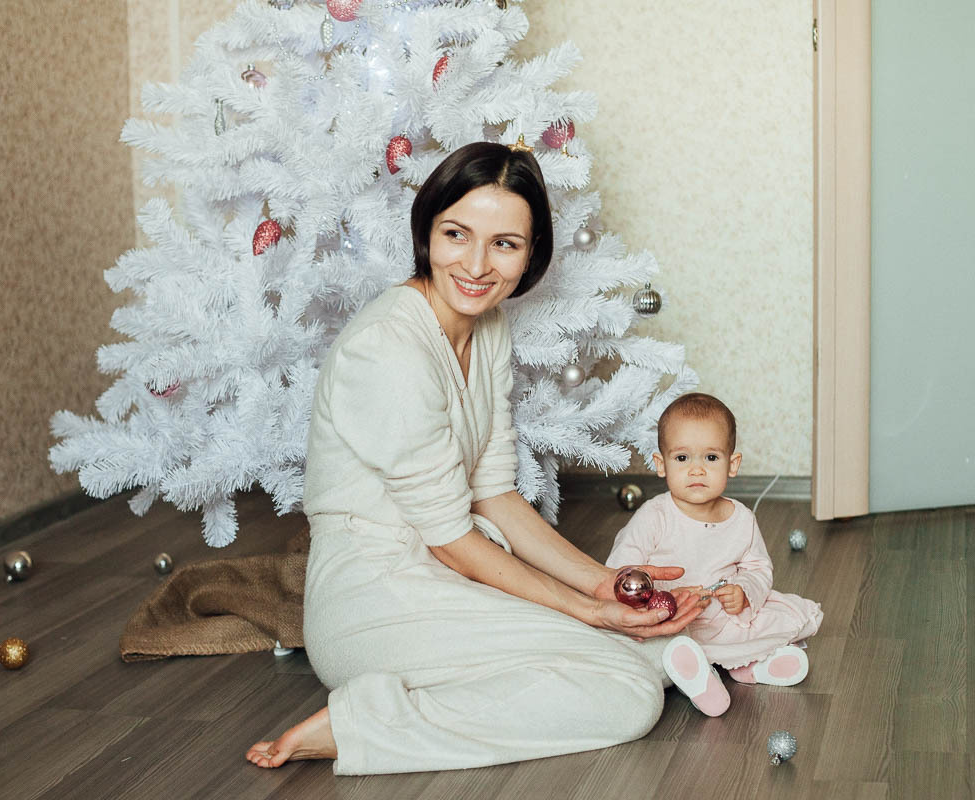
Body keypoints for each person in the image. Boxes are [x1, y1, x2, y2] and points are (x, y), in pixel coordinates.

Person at [245, 141, 708, 775]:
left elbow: (496, 496)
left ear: (531, 253)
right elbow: (449, 537)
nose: (476, 265)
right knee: (627, 694)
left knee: (654, 647)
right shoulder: (387, 349)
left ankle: (473, 678)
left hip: (449, 572)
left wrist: (603, 587)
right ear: (427, 231)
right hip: (377, 600)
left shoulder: (486, 327)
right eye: (456, 234)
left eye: (505, 244)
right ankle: (364, 723)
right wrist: (586, 609)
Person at [606, 392, 824, 718]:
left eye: (710, 458)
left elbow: (758, 568)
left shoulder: (741, 519)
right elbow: (621, 572)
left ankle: (752, 668)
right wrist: (658, 597)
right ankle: (697, 677)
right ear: (660, 464)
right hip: (674, 619)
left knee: (772, 616)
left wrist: (744, 591)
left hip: (725, 618)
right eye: (682, 459)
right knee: (658, 644)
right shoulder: (655, 516)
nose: (696, 470)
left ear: (731, 464)